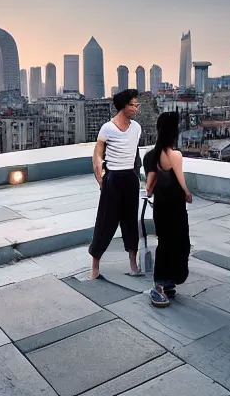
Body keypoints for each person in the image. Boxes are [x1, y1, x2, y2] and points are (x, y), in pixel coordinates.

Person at [89, 89, 142, 279]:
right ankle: (95, 268)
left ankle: (133, 264)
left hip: (130, 178)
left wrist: (137, 176)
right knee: (105, 221)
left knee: (130, 222)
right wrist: (100, 177)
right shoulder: (107, 128)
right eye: (134, 105)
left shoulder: (137, 128)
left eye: (137, 105)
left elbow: (135, 154)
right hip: (113, 178)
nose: (137, 108)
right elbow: (97, 154)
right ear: (124, 106)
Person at [144, 111, 192, 307]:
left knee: (165, 244)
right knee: (180, 243)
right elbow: (180, 179)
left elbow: (149, 186)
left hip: (161, 208)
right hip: (175, 207)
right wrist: (187, 193)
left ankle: (165, 282)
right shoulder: (176, 155)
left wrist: (149, 191)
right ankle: (160, 285)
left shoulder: (151, 156)